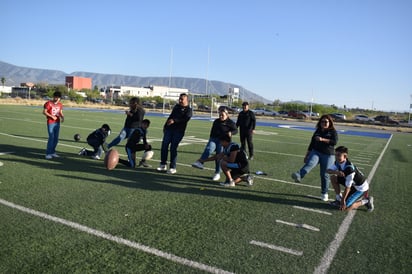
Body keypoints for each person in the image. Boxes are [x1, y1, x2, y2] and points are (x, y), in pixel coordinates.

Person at [291, 114, 338, 201]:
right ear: (320, 122)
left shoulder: (333, 132)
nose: (324, 123)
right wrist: (306, 155)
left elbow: (334, 142)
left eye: (326, 122)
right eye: (322, 121)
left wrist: (322, 139)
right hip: (316, 152)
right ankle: (299, 175)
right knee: (310, 163)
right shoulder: (317, 131)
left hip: (328, 155)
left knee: (324, 174)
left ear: (330, 123)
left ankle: (324, 193)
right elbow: (311, 144)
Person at [191, 107, 238, 181]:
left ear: (227, 115)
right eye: (220, 115)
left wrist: (231, 133)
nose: (221, 116)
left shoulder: (231, 123)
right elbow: (212, 131)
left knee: (219, 156)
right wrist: (211, 139)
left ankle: (217, 172)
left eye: (222, 115)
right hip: (214, 139)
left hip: (223, 141)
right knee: (208, 149)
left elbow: (235, 130)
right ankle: (200, 162)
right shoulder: (216, 121)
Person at [327, 146, 374, 211]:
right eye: (336, 155)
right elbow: (328, 170)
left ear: (345, 156)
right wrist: (336, 172)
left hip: (360, 188)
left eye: (339, 155)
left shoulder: (349, 170)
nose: (336, 157)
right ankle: (338, 199)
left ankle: (366, 200)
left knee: (346, 208)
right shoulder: (338, 162)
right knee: (333, 178)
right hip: (353, 184)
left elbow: (347, 188)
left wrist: (343, 201)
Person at [157, 93, 193, 174]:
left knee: (173, 148)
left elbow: (185, 119)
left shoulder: (189, 110)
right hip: (169, 129)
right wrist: (165, 125)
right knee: (164, 146)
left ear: (187, 100)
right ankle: (163, 164)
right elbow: (171, 116)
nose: (180, 100)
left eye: (182, 99)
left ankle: (173, 167)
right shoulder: (176, 107)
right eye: (179, 99)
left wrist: (174, 121)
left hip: (179, 131)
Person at [43, 91, 64, 159]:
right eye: (56, 97)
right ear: (54, 97)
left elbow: (60, 112)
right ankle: (48, 153)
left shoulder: (60, 104)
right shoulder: (49, 103)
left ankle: (53, 152)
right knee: (51, 137)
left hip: (57, 122)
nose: (57, 99)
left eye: (59, 98)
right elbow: (44, 112)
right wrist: (51, 116)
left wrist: (62, 117)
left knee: (56, 139)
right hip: (51, 122)